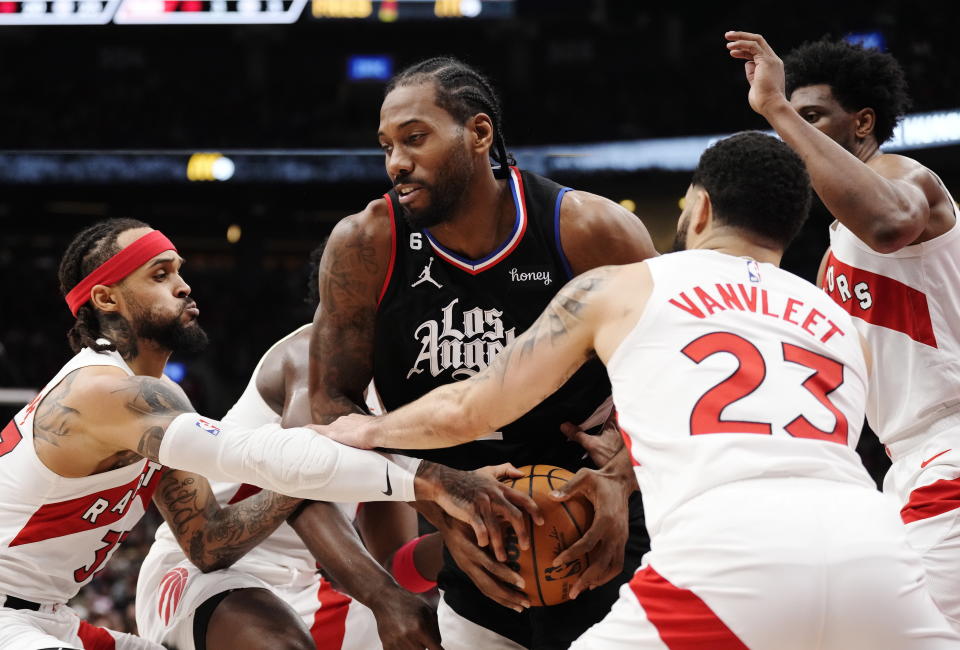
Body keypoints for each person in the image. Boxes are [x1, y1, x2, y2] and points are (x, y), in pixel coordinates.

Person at [319, 131, 960, 649]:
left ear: (701, 207)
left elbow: (471, 404)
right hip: (870, 550)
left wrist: (369, 430)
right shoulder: (833, 317)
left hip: (728, 551)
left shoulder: (628, 286)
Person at [0, 218, 536, 650]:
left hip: (49, 616)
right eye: (160, 274)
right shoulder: (107, 393)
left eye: (179, 270)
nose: (185, 284)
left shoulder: (154, 401)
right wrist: (436, 481)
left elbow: (209, 542)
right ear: (106, 299)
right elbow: (258, 454)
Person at [308, 57, 658, 649]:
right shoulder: (366, 244)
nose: (396, 162)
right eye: (387, 146)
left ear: (478, 133)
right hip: (466, 521)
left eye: (415, 139)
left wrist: (622, 483)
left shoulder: (590, 230)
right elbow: (330, 403)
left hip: (594, 512)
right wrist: (439, 498)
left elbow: (669, 380)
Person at [725, 31, 960, 631]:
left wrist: (774, 105)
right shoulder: (833, 252)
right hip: (907, 462)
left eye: (811, 117)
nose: (791, 133)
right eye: (791, 119)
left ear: (862, 122)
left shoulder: (906, 176)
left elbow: (888, 223)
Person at [136, 244, 446, 650]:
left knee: (436, 637)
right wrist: (385, 598)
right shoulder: (309, 354)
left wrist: (465, 544)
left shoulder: (409, 395)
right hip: (206, 572)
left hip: (302, 587)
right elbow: (303, 486)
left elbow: (393, 564)